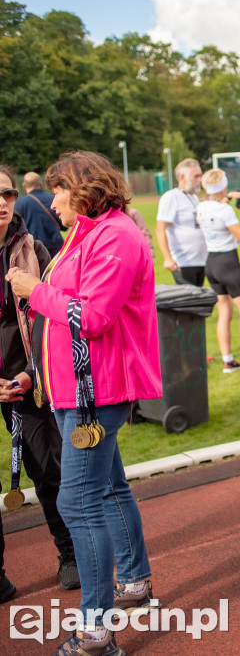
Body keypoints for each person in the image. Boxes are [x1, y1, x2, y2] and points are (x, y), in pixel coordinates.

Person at [8, 151, 161, 655]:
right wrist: (34, 374)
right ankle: (134, 582)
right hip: (78, 386)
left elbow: (92, 316)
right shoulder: (91, 233)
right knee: (110, 487)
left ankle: (96, 630)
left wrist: (34, 291)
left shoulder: (114, 235)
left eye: (58, 191)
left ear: (84, 189)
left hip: (96, 390)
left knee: (78, 502)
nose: (51, 202)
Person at [0, 165, 79, 605]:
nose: (2, 202)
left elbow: (54, 322)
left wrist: (31, 372)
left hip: (28, 380)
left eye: (8, 193)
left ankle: (68, 554)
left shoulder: (36, 250)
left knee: (49, 467)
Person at [196, 168, 240, 372]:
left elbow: (217, 210)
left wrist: (228, 199)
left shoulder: (202, 207)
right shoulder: (225, 210)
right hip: (228, 262)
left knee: (224, 312)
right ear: (223, 186)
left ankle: (228, 360)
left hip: (211, 262)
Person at [156, 158, 208, 286]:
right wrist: (168, 258)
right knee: (189, 303)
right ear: (182, 177)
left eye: (200, 175)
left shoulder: (194, 197)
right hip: (183, 262)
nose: (200, 180)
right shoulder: (171, 197)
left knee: (199, 301)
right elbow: (160, 228)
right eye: (196, 176)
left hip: (200, 260)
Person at [14, 171, 65, 256]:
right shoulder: (54, 199)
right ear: (41, 185)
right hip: (56, 248)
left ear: (24, 186)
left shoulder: (19, 204)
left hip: (33, 250)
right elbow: (64, 226)